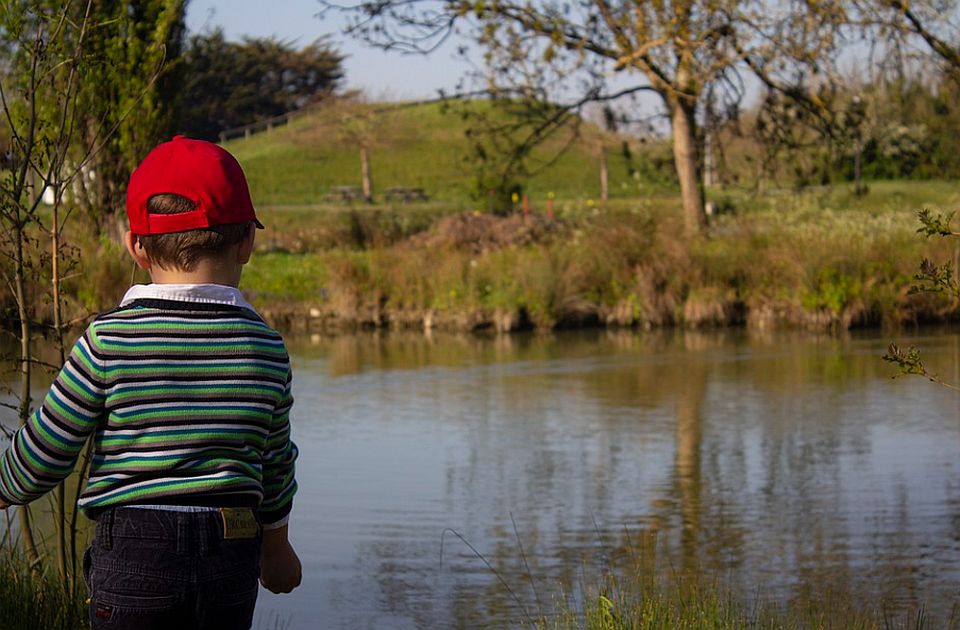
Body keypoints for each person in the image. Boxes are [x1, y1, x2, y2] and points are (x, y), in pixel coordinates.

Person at [0, 136, 301, 629]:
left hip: (136, 550)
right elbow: (274, 463)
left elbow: (51, 445)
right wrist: (277, 547)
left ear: (136, 246)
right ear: (248, 240)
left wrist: (5, 485)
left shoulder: (110, 339)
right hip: (232, 547)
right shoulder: (266, 347)